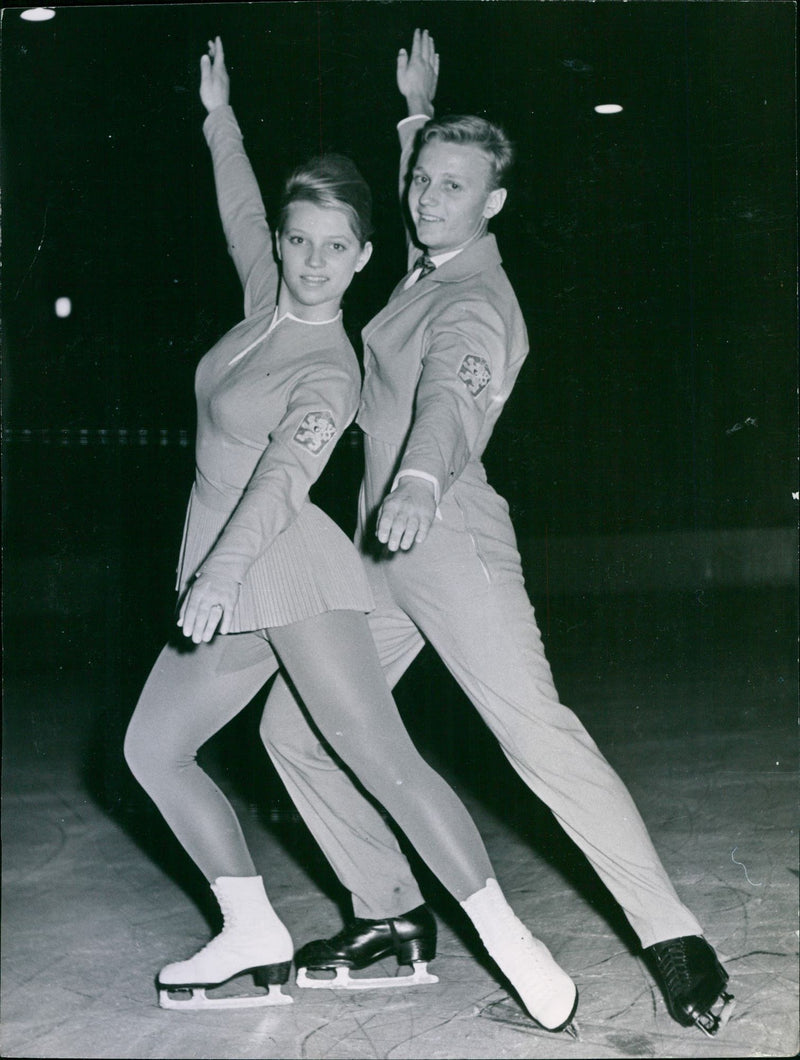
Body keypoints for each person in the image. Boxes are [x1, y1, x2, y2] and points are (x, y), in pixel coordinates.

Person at [260, 29, 734, 1036]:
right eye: (421, 181)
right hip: (374, 551)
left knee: (532, 733)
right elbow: (426, 188)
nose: (426, 197)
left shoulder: (477, 297)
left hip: (445, 535)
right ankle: (388, 915)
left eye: (450, 186)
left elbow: (454, 391)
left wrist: (424, 476)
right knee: (292, 728)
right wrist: (414, 117)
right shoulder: (432, 255)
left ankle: (674, 936)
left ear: (494, 206)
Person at [124, 36, 581, 1031]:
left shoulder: (326, 368)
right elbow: (241, 212)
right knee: (152, 746)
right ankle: (249, 930)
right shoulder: (262, 308)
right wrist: (219, 117)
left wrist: (218, 570)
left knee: (382, 758)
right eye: (300, 242)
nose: (312, 261)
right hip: (231, 579)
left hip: (287, 572)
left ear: (367, 258)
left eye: (337, 248)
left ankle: (512, 943)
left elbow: (285, 477)